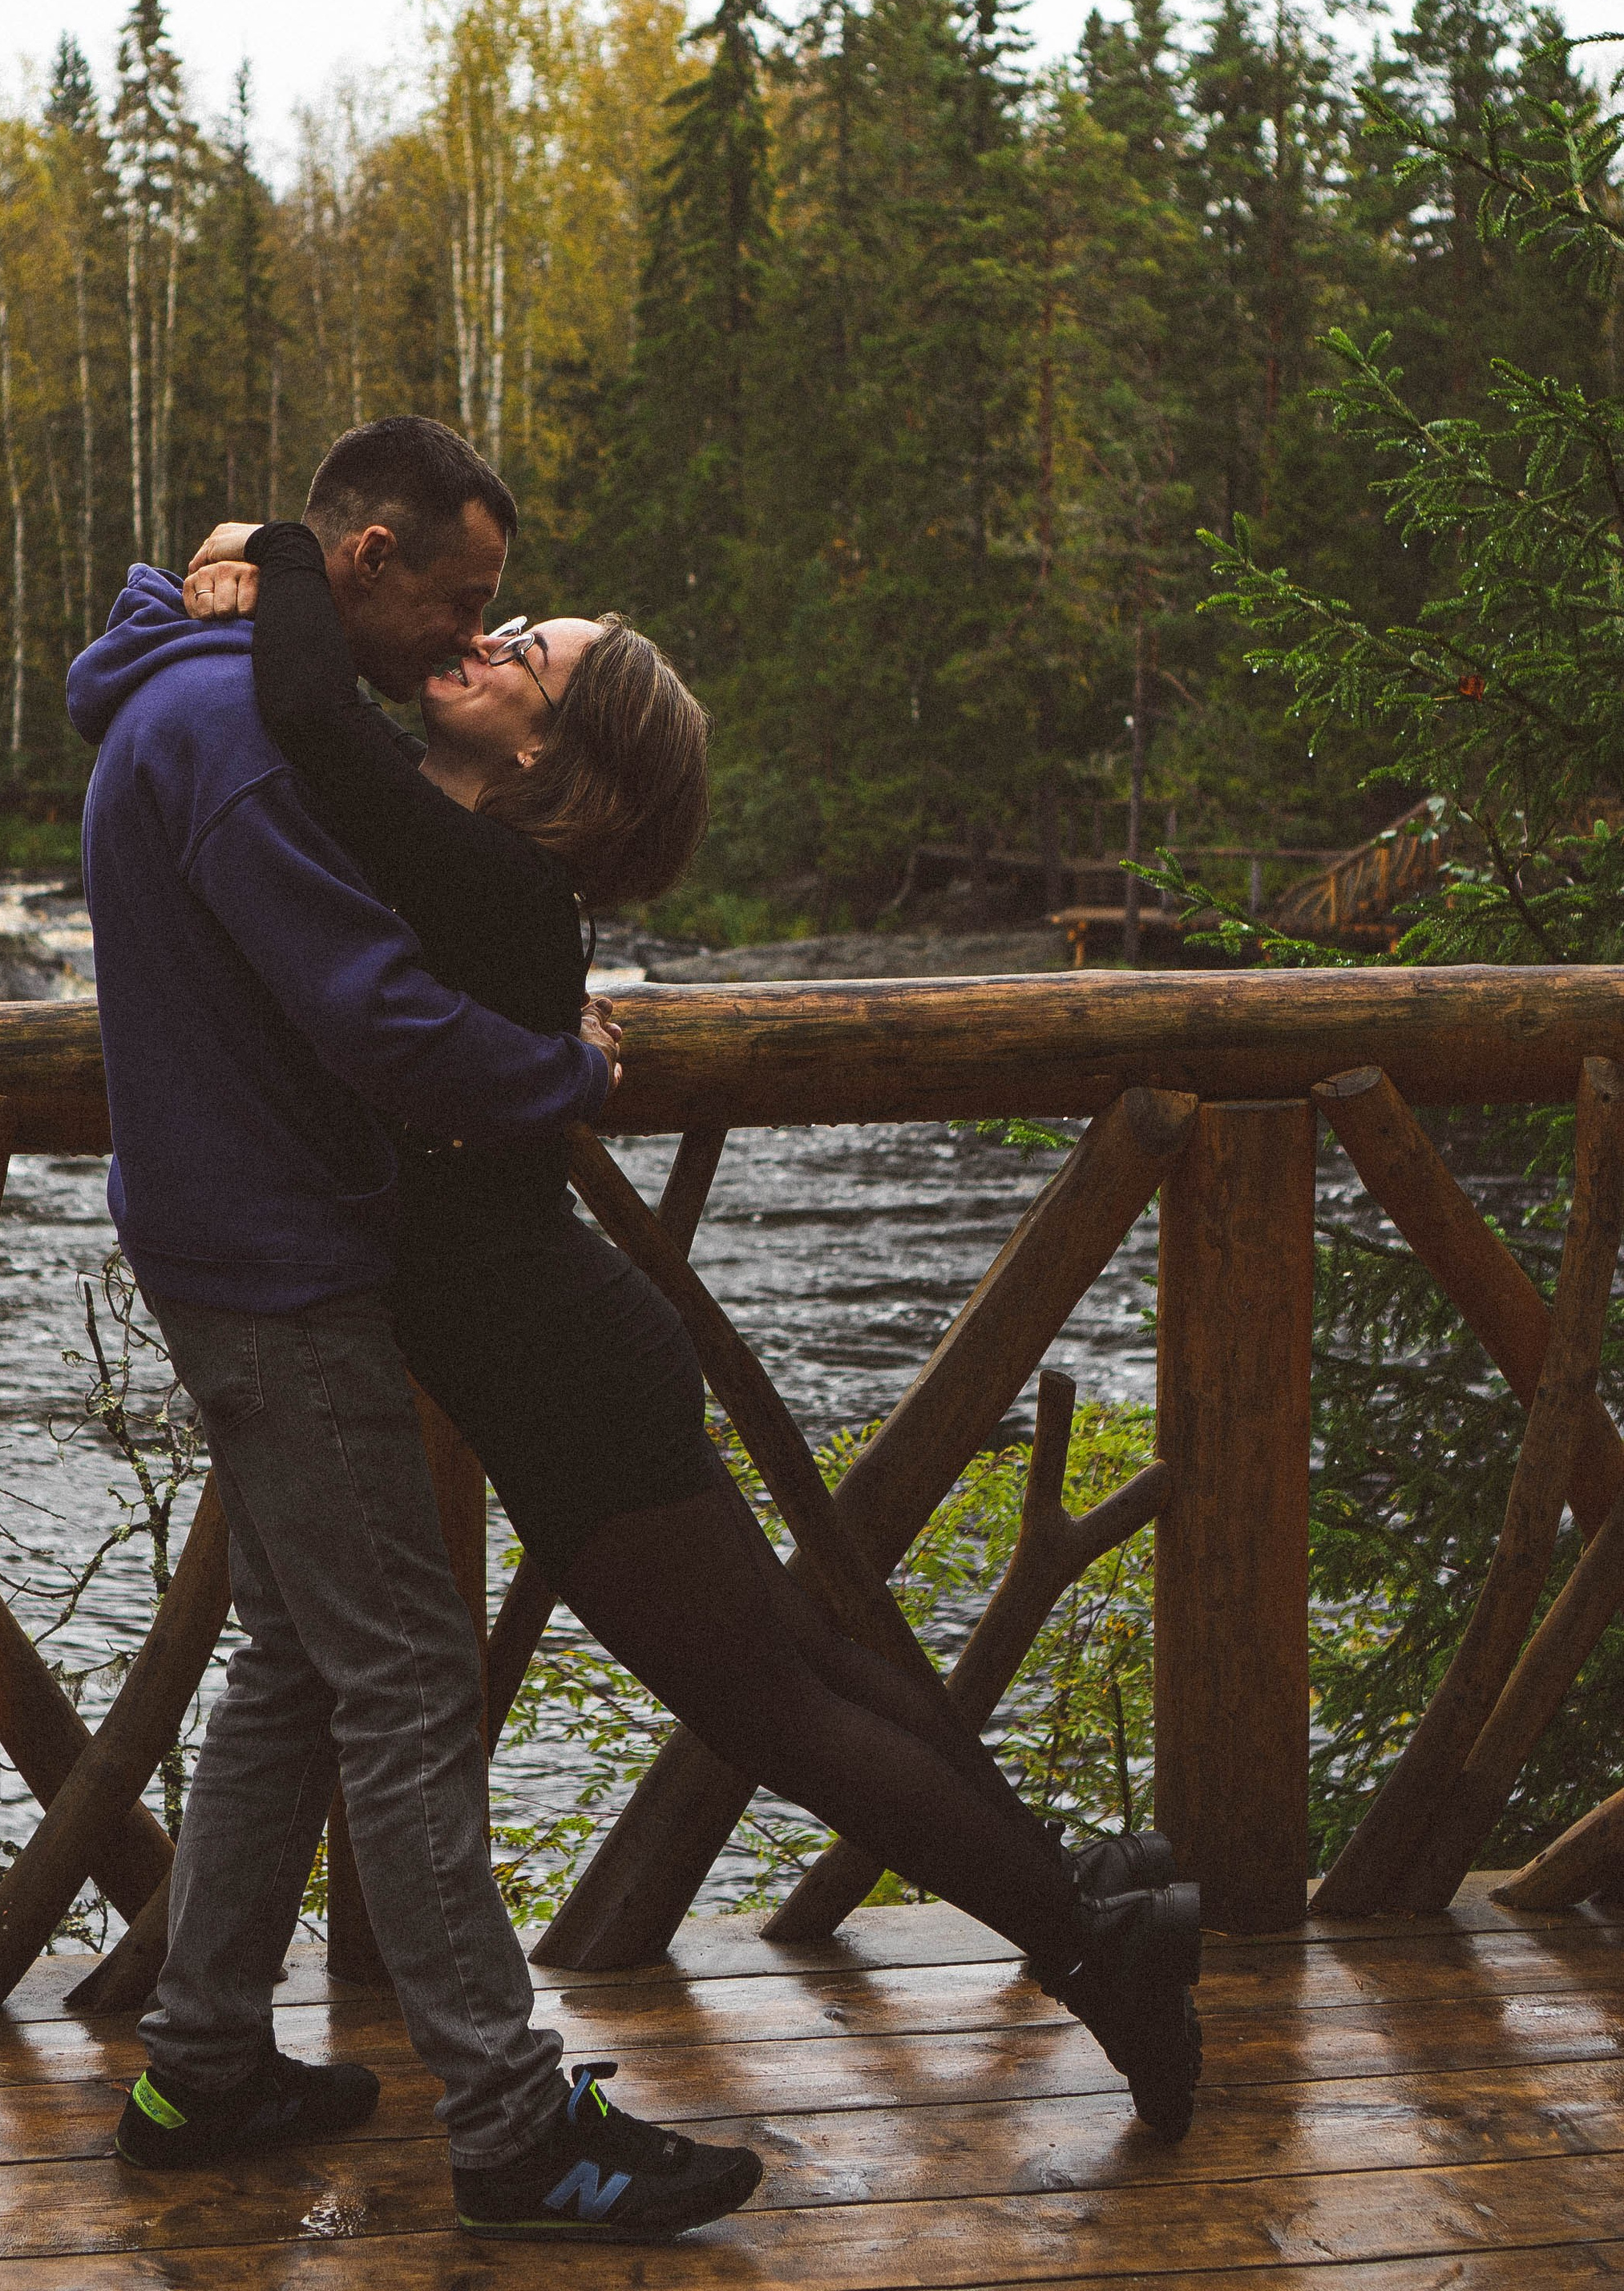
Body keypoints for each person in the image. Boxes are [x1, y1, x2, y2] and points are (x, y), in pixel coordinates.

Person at [180, 499, 1206, 2143]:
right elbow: (323, 749)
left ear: (550, 759)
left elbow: (307, 709)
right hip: (566, 1350)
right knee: (803, 1671)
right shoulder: (475, 871)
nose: (480, 645)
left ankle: (1093, 1946)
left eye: (523, 652)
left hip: (559, 1373)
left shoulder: (483, 878)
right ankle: (1094, 1905)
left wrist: (282, 545)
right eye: (505, 626)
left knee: (778, 1708)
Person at [65, 413, 764, 2242]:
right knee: (405, 1681)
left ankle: (202, 2058)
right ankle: (512, 2126)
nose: (466, 639)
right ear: (360, 563)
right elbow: (376, 1016)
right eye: (460, 599)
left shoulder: (203, 685)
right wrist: (562, 1067)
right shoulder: (233, 735)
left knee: (298, 1664)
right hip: (276, 1262)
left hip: (237, 1237)